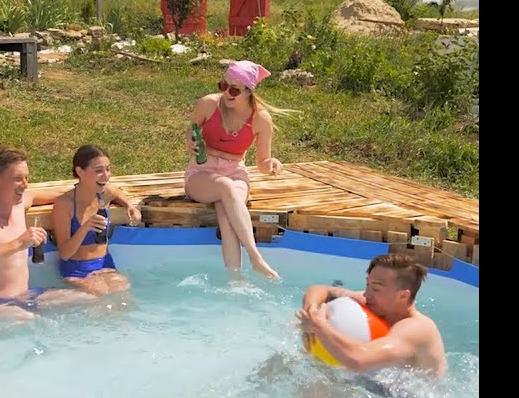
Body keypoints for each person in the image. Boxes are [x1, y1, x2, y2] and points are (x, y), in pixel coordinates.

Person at [0, 146, 101, 320]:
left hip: (26, 297)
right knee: (34, 323)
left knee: (90, 300)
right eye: (17, 179)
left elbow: (65, 195)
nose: (25, 185)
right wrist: (18, 244)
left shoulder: (20, 203)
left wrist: (115, 197)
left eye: (26, 178)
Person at [184, 60, 296, 280]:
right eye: (223, 86)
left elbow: (263, 161)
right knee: (226, 187)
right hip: (202, 171)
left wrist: (272, 164)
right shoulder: (209, 104)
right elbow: (191, 130)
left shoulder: (260, 119)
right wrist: (190, 139)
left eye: (234, 89)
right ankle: (255, 257)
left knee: (227, 216)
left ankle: (234, 280)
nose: (227, 92)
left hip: (236, 171)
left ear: (248, 91)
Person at [297, 253, 447, 378]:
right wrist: (311, 311)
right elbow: (322, 289)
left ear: (403, 296)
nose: (366, 294)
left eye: (376, 289)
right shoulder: (373, 302)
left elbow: (359, 361)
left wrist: (319, 327)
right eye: (367, 285)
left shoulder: (417, 329)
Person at [51, 145, 140, 296]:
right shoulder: (65, 204)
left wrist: (129, 206)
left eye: (108, 169)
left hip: (105, 263)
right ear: (80, 172)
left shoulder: (104, 193)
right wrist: (85, 228)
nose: (106, 176)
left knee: (123, 294)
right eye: (99, 170)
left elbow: (117, 193)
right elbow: (65, 254)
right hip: (77, 269)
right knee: (100, 294)